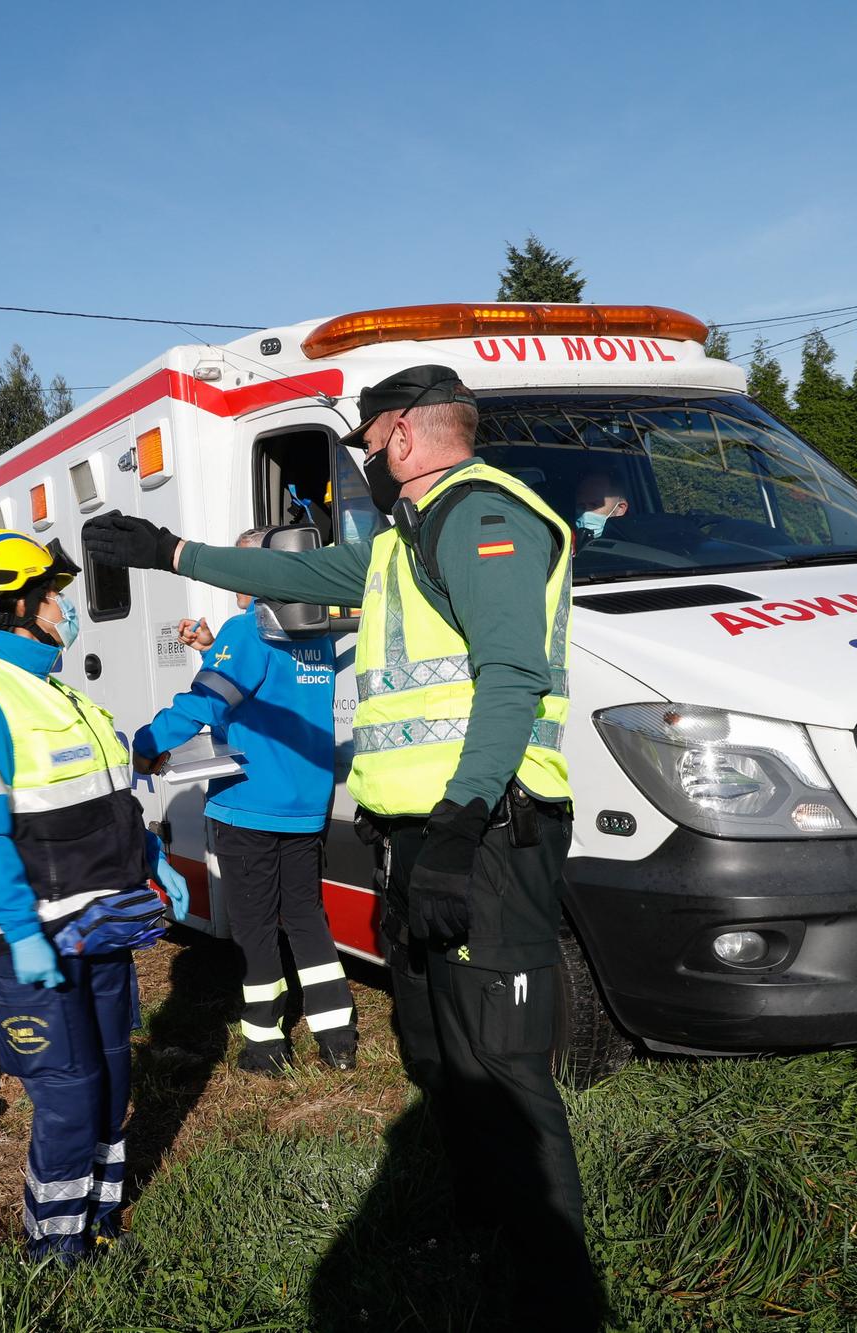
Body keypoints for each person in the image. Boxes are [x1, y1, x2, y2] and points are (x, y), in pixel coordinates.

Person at [83, 364, 597, 1320]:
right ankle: (481, 1236)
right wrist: (170, 548)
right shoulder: (405, 541)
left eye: (366, 447)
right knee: (438, 1051)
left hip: (483, 832)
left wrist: (455, 824)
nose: (361, 466)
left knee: (505, 1063)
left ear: (402, 434)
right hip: (421, 837)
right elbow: (292, 573)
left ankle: (556, 1292)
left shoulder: (486, 518)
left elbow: (511, 681)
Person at [0, 530, 190, 1265]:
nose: (66, 609)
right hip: (33, 944)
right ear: (17, 606)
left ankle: (99, 1218)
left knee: (109, 1080)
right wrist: (20, 929)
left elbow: (111, 803)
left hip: (96, 932)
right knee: (68, 1097)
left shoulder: (60, 693)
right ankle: (54, 1247)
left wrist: (154, 864)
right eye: (54, 596)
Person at [132, 530, 355, 1076]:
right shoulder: (313, 632)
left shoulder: (247, 630)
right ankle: (338, 1038)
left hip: (249, 804)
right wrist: (215, 650)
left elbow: (205, 703)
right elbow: (273, 691)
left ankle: (265, 1044)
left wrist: (146, 745)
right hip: (305, 802)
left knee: (254, 924)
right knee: (304, 915)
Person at [573, 468, 630, 546]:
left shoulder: (629, 548)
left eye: (594, 505)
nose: (585, 514)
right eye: (581, 506)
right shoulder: (563, 541)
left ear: (620, 509)